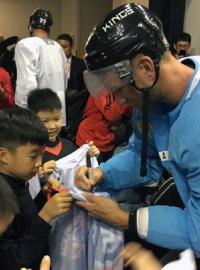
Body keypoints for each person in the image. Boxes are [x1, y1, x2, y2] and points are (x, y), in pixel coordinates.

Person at [74, 2, 200, 261]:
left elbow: (198, 231)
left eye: (119, 90)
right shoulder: (150, 101)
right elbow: (142, 157)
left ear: (145, 68)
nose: (119, 102)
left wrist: (124, 218)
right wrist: (101, 173)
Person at [0, 107, 72, 270]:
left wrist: (42, 197)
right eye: (33, 156)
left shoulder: (17, 179)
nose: (39, 163)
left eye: (42, 154)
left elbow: (24, 218)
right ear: (4, 156)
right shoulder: (3, 198)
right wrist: (45, 216)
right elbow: (11, 260)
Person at [27, 88, 99, 194]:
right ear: (32, 121)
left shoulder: (69, 146)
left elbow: (84, 175)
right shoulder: (31, 155)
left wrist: (89, 156)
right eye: (44, 121)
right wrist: (41, 179)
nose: (52, 126)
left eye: (56, 119)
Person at [14, 8, 67, 125]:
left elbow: (26, 84)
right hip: (57, 114)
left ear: (30, 25)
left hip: (37, 116)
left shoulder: (24, 44)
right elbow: (65, 81)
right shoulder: (58, 47)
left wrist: (24, 113)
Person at [76, 93, 132, 162]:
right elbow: (112, 115)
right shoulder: (101, 89)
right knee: (93, 170)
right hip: (91, 139)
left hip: (109, 140)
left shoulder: (119, 90)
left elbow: (129, 113)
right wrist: (124, 96)